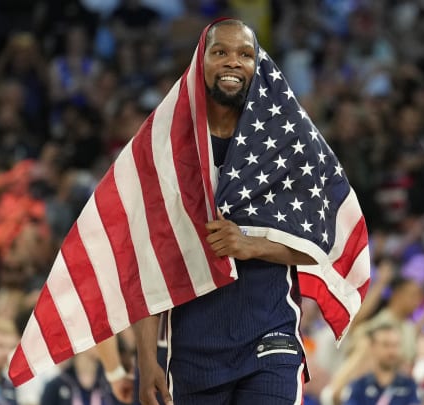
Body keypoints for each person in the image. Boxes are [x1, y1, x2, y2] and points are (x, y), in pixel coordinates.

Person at [83, 17, 369, 405]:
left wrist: (251, 245)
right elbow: (147, 263)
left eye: (245, 54)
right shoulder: (165, 151)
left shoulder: (286, 143)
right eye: (220, 52)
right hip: (194, 347)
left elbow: (320, 241)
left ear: (258, 66)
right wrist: (147, 358)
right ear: (200, 63)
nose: (233, 62)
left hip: (272, 337)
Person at [340, 324, 422, 405]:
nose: (391, 351)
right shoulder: (358, 387)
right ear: (373, 347)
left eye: (395, 345)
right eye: (386, 345)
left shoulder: (410, 386)